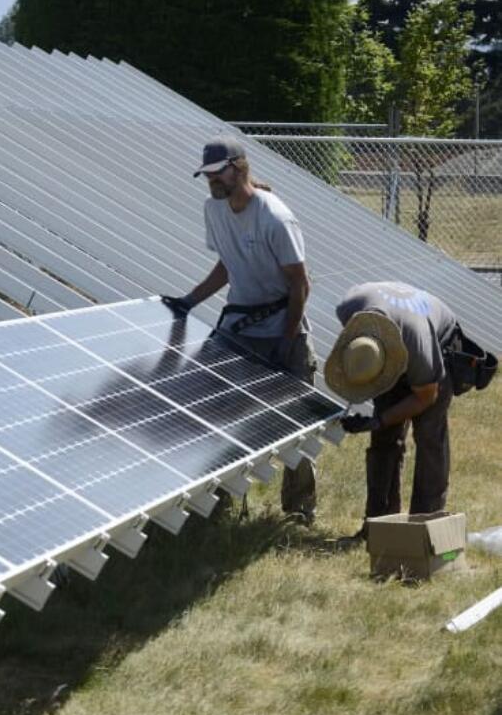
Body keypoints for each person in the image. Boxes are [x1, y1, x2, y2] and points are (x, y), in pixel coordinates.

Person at [161, 135, 317, 523]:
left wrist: (287, 340)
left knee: (296, 423)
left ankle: (299, 510)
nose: (212, 180)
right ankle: (224, 507)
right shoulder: (213, 210)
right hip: (240, 328)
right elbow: (227, 265)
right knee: (223, 417)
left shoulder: (274, 216)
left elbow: (300, 284)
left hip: (284, 330)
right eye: (207, 174)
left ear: (239, 168)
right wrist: (189, 300)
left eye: (218, 172)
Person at [326, 283, 460, 524]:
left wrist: (379, 419)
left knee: (429, 438)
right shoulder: (348, 310)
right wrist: (378, 424)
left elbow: (426, 397)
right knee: (383, 439)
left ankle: (424, 525)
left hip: (439, 351)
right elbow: (362, 358)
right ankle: (379, 524)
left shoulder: (418, 346)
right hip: (401, 336)